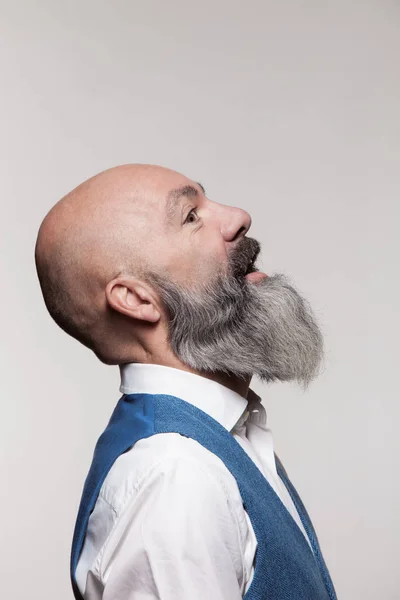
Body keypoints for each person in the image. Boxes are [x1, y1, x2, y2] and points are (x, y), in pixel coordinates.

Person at [35, 164, 337, 600]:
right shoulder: (176, 477)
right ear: (137, 299)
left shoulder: (219, 438)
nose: (237, 216)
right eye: (191, 215)